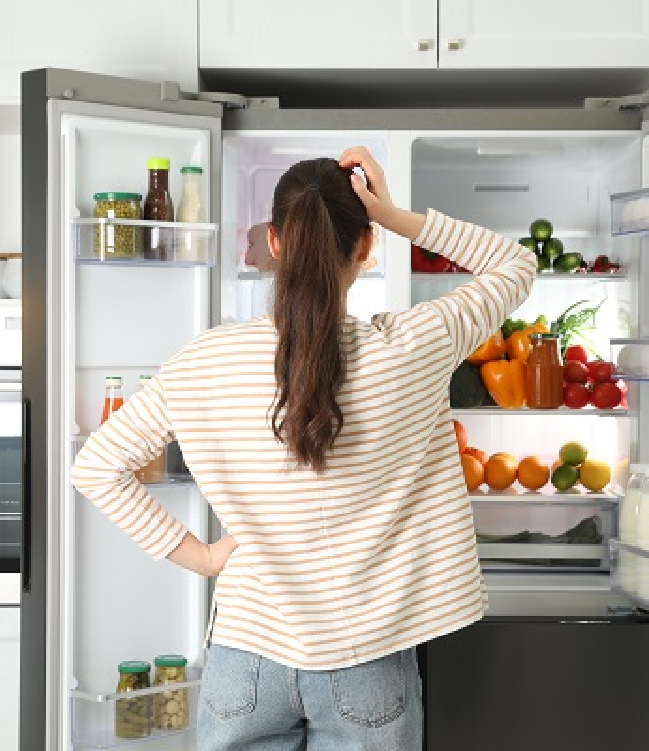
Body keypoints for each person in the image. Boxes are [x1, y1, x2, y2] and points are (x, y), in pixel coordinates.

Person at [71, 146, 536, 750]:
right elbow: (515, 264)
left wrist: (206, 558)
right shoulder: (417, 345)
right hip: (367, 657)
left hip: (246, 659)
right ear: (365, 249)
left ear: (274, 241)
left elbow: (98, 468)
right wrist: (392, 214)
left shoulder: (203, 360)